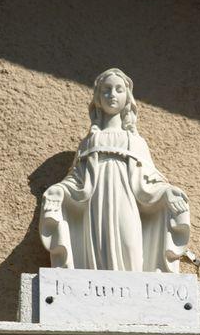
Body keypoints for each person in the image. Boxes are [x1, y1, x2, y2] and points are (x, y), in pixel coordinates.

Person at [39, 68, 190, 272]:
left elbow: (150, 181)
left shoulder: (135, 142)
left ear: (127, 97)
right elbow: (77, 180)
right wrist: (59, 191)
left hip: (125, 201)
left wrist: (168, 192)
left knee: (130, 247)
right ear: (98, 98)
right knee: (98, 257)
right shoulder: (90, 142)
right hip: (96, 205)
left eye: (119, 90)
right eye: (106, 90)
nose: (112, 95)